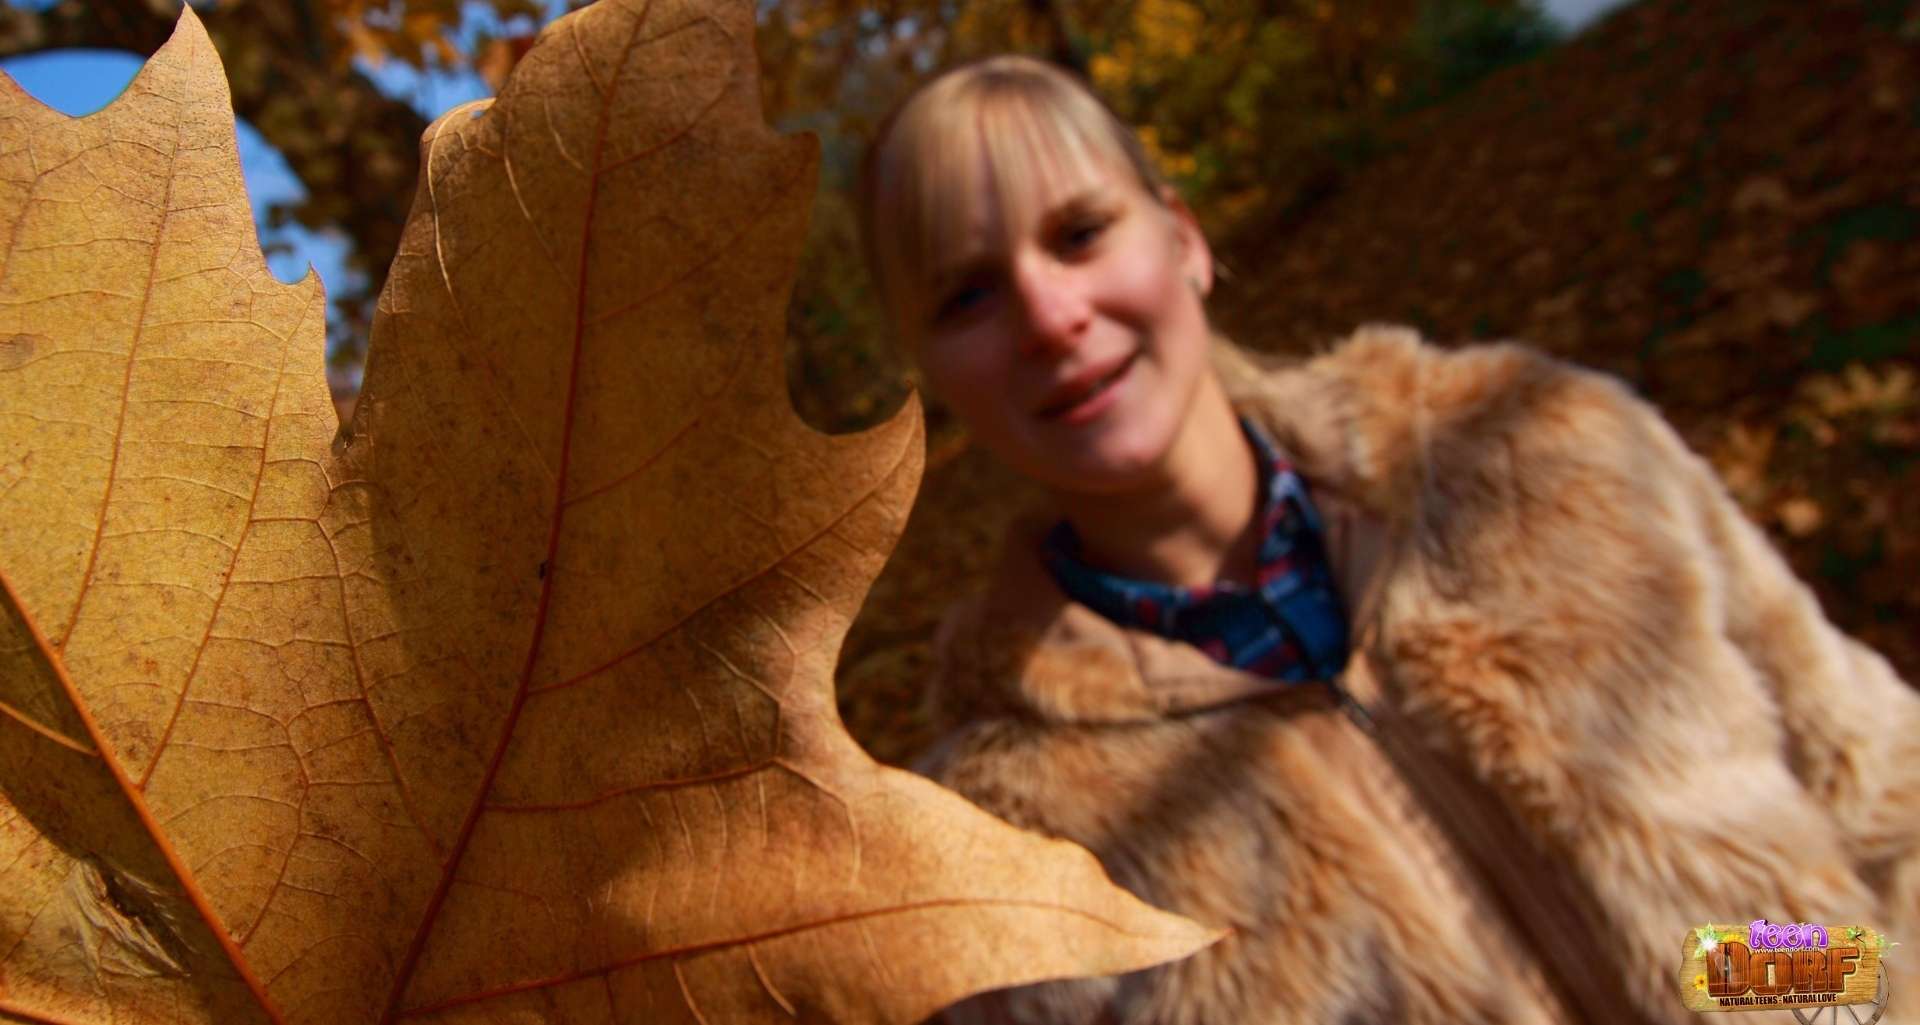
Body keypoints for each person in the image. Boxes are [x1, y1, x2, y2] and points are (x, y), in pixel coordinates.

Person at [857, 55, 1920, 1025]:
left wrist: (1847, 984)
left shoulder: (1552, 456)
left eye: (1080, 232)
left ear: (1184, 240)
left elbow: (1876, 793)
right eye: (968, 294)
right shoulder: (999, 856)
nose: (1049, 312)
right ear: (934, 375)